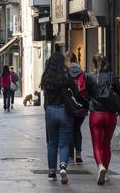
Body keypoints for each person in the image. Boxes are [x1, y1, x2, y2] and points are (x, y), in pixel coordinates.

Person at [85, 53, 120, 185]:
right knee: (106, 144)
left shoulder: (89, 77)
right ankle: (105, 172)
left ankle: (100, 165)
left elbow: (86, 95)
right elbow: (119, 95)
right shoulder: (112, 76)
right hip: (110, 114)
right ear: (106, 63)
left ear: (93, 64)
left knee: (97, 144)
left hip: (96, 114)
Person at [41, 52, 78, 184]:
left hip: (50, 110)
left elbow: (45, 95)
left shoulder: (46, 76)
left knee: (52, 143)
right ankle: (62, 166)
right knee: (63, 144)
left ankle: (51, 172)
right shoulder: (66, 76)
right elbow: (76, 92)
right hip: (64, 111)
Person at [66, 52, 86, 165]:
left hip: (70, 104)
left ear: (68, 59)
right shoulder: (83, 73)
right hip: (82, 105)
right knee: (77, 129)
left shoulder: (66, 73)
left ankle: (70, 157)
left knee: (70, 130)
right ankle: (78, 154)